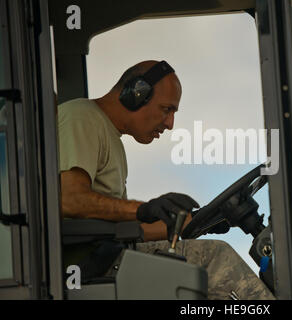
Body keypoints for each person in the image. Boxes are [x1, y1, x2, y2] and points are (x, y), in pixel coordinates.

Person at [58, 60, 274, 300]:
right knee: (215, 257)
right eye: (166, 109)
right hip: (90, 266)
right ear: (135, 95)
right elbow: (69, 199)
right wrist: (144, 209)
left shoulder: (110, 137)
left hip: (111, 256)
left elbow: (127, 229)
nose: (170, 124)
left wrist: (197, 222)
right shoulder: (82, 118)